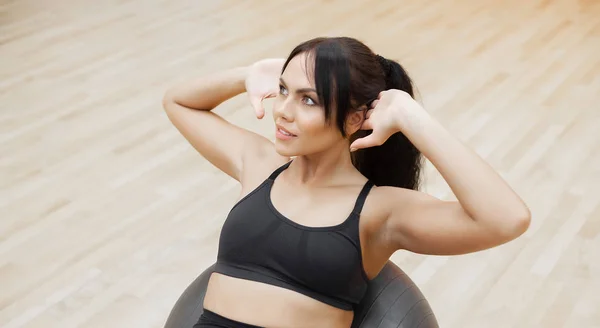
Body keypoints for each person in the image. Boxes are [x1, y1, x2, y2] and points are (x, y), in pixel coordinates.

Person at [162, 36, 531, 328]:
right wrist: (248, 74)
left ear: (357, 119)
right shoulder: (260, 165)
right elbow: (177, 102)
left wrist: (409, 116)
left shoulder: (380, 210)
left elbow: (506, 218)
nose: (282, 111)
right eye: (284, 90)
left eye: (308, 100)